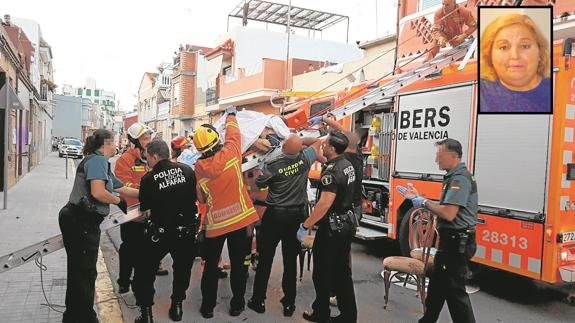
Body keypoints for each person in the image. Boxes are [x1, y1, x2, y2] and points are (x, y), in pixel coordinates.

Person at [58, 129, 138, 323]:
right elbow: (98, 192)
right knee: (84, 273)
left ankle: (74, 316)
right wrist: (117, 200)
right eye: (114, 142)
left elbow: (121, 187)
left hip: (80, 221)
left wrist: (147, 193)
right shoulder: (97, 160)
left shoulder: (101, 163)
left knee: (80, 271)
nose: (117, 145)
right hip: (80, 220)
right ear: (107, 143)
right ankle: (83, 318)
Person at [400, 138, 478, 323]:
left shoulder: (460, 179)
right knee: (437, 289)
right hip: (451, 242)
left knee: (455, 294)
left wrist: (423, 202)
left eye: (439, 155)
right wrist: (420, 198)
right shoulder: (454, 176)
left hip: (455, 243)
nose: (436, 159)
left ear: (452, 155)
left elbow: (449, 213)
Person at [194, 107, 260, 318]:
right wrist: (231, 115)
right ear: (216, 141)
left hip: (215, 226)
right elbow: (234, 133)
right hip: (239, 221)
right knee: (239, 266)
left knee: (211, 267)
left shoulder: (199, 167)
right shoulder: (231, 153)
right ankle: (237, 305)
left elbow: (202, 198)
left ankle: (207, 307)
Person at [248, 134, 321, 317]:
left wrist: (264, 169)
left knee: (265, 259)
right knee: (290, 262)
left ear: (283, 148)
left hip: (275, 215)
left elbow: (259, 184)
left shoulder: (273, 165)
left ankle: (258, 301)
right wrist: (302, 143)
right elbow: (318, 141)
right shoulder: (305, 159)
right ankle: (289, 304)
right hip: (297, 216)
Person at [133, 140, 199, 323]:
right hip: (185, 232)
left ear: (154, 156)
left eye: (147, 157)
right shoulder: (187, 170)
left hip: (159, 233)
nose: (146, 161)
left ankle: (146, 313)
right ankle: (177, 307)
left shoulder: (148, 178)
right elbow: (194, 197)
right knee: (183, 270)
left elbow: (145, 209)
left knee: (145, 271)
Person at [298, 131, 358, 323]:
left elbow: (324, 204)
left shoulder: (331, 172)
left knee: (322, 273)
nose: (322, 146)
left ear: (332, 148)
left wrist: (306, 224)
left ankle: (321, 313)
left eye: (325, 145)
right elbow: (322, 151)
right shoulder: (347, 163)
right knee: (342, 273)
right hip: (346, 225)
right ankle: (349, 316)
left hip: (332, 229)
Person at [114, 123, 166, 295]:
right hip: (132, 213)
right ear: (135, 141)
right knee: (129, 248)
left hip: (151, 212)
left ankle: (141, 282)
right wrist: (147, 190)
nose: (147, 141)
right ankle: (124, 281)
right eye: (144, 138)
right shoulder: (125, 160)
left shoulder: (152, 157)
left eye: (148, 138)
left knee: (148, 248)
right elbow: (123, 186)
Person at [479, 13, 551, 113]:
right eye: (504, 47)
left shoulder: (559, 90)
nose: (515, 56)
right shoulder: (481, 93)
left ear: (540, 51)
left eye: (524, 46)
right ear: (489, 55)